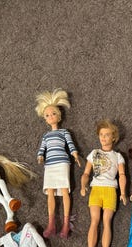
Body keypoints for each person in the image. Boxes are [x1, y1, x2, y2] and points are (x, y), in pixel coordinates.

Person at [80, 120, 127, 247]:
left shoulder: (118, 156)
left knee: (107, 221)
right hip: (96, 189)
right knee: (94, 220)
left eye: (107, 135)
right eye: (101, 134)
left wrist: (123, 192)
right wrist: (83, 186)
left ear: (114, 137)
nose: (103, 137)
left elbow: (122, 175)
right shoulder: (94, 153)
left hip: (111, 190)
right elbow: (86, 173)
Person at [35, 88, 81, 239]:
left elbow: (70, 144)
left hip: (62, 163)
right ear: (45, 119)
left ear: (59, 115)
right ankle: (51, 223)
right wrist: (40, 156)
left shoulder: (64, 132)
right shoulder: (46, 135)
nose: (51, 116)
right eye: (47, 115)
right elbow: (42, 149)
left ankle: (66, 224)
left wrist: (75, 154)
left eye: (53, 113)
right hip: (49, 165)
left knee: (64, 191)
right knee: (50, 192)